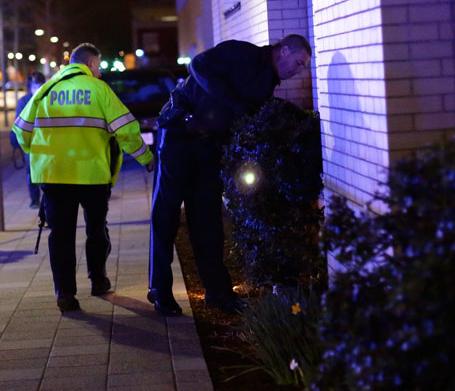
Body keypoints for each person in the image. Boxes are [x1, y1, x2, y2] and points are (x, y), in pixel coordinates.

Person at [150, 34, 311, 316]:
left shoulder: (267, 84)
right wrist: (233, 103)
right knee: (166, 215)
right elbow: (198, 65)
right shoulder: (243, 53)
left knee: (208, 221)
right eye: (299, 63)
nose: (299, 71)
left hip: (209, 147)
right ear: (284, 50)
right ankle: (159, 290)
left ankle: (218, 293)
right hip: (178, 134)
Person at [12, 43, 154, 312]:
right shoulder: (99, 90)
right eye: (98, 67)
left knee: (61, 235)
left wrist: (39, 152)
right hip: (92, 175)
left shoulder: (47, 89)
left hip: (54, 176)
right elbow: (126, 130)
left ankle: (65, 294)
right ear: (90, 64)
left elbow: (20, 130)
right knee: (96, 230)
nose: (99, 72)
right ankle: (98, 281)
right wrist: (146, 158)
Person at [9, 71, 45, 209]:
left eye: (39, 85)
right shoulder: (23, 101)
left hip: (46, 142)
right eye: (35, 86)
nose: (37, 89)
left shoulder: (47, 99)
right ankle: (35, 199)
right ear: (30, 87)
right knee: (31, 173)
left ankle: (46, 199)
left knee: (46, 173)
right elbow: (19, 123)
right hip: (30, 143)